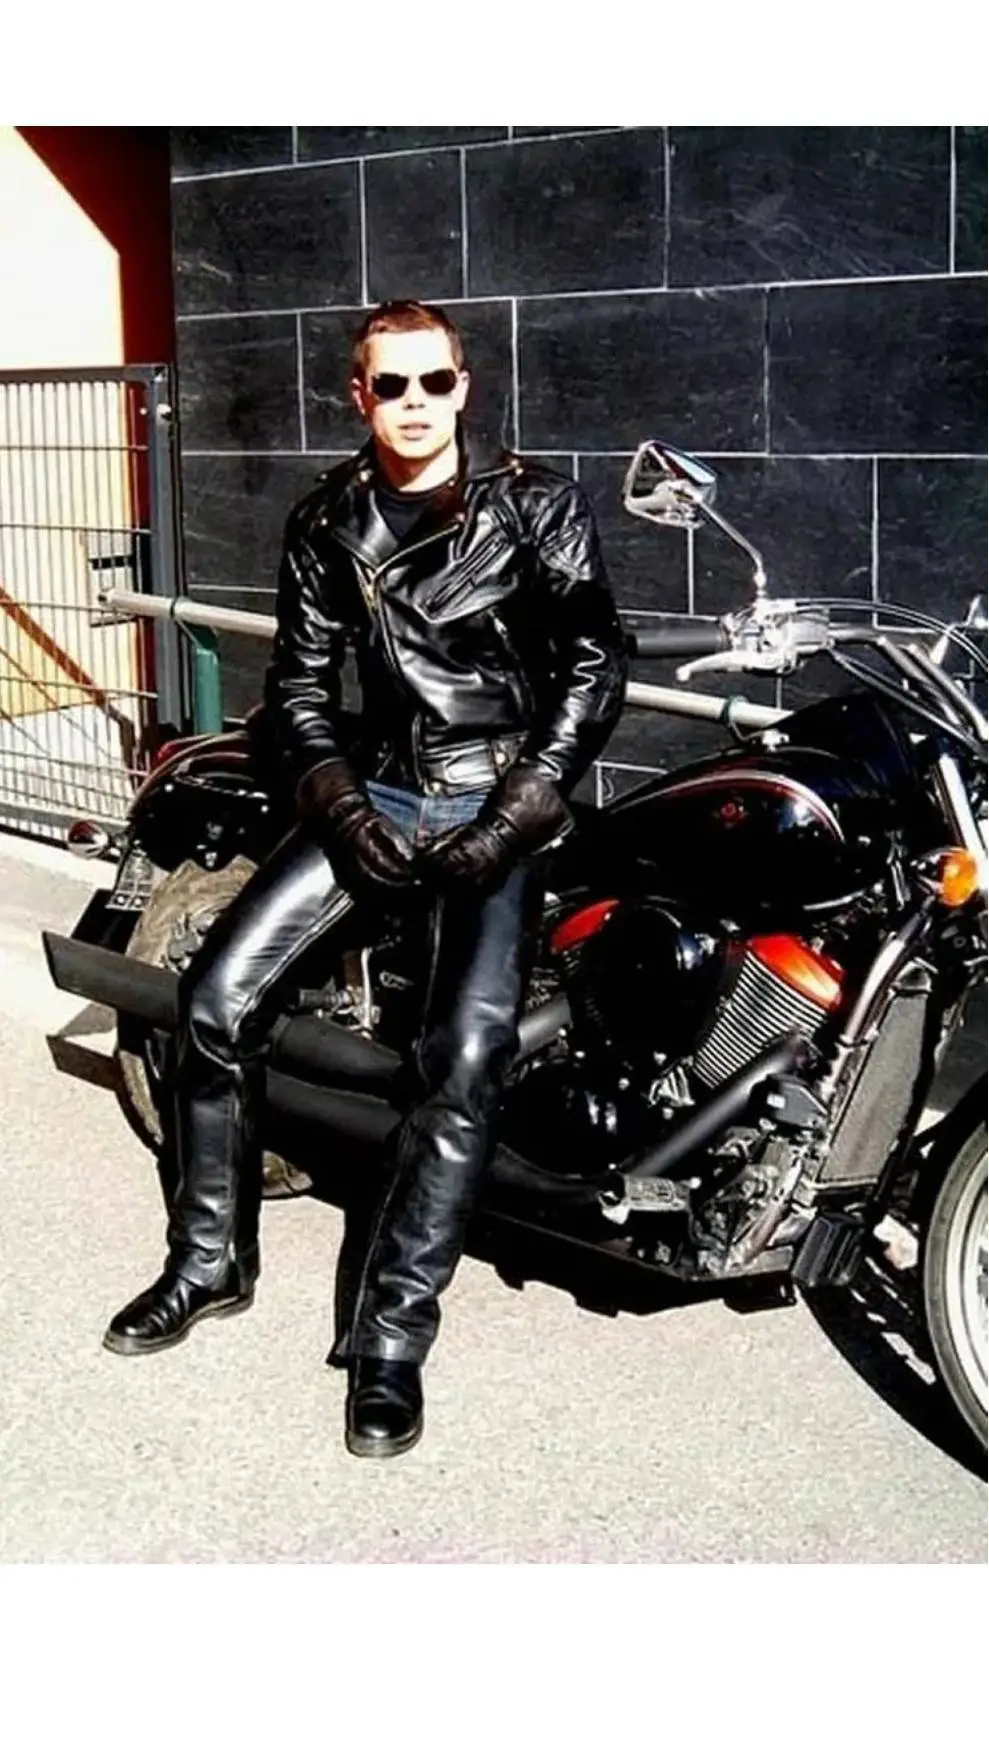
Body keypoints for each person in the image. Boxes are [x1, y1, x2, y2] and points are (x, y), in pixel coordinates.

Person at [104, 298, 628, 1458]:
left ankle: (389, 1339)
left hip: (496, 798)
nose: (414, 404)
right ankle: (208, 1260)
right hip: (378, 790)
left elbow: (594, 667)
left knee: (464, 1058)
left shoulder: (535, 504)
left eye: (433, 381)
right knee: (213, 1002)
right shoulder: (327, 518)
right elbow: (296, 689)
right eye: (390, 384)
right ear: (358, 394)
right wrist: (339, 800)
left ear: (463, 385)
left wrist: (519, 809)